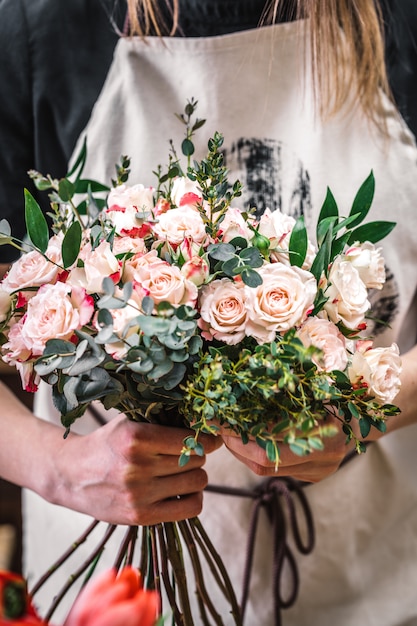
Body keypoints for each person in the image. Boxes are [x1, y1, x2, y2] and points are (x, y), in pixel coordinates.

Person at [0, 0, 416, 624]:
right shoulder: (39, 28)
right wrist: (55, 467)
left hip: (363, 571)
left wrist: (367, 411)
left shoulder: (400, 21)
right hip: (118, 590)